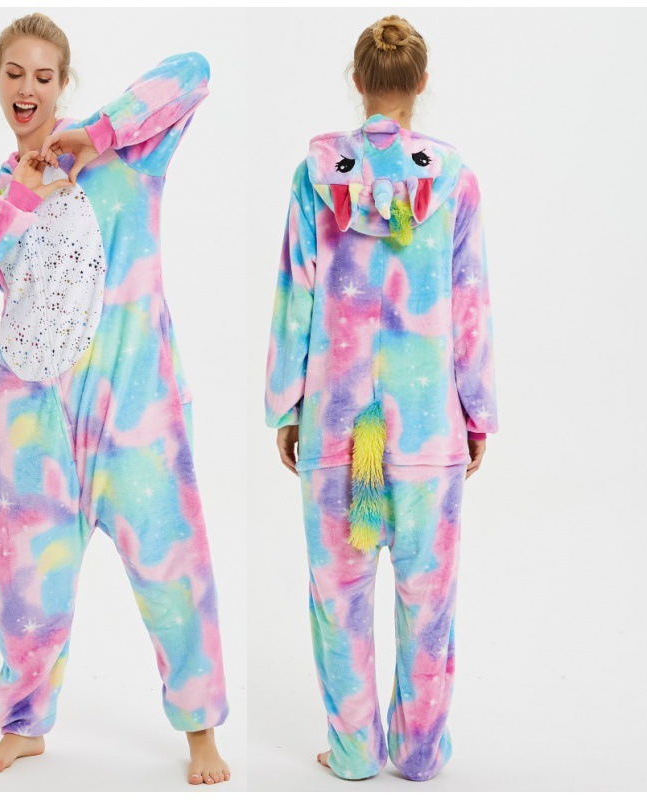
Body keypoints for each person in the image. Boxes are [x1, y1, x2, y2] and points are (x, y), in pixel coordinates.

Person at [0, 13, 230, 785]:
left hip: (136, 416)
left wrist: (95, 134)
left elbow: (193, 69)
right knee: (27, 591)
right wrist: (15, 203)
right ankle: (23, 727)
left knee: (174, 573)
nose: (27, 88)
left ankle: (200, 732)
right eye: (14, 74)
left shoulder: (127, 159)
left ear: (63, 84)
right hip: (32, 425)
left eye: (43, 75)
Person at [264, 14, 499, 782]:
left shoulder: (315, 177)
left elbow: (295, 296)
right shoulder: (454, 179)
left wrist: (287, 405)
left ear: (357, 81)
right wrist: (476, 412)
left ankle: (355, 750)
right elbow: (469, 305)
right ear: (420, 83)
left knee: (339, 596)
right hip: (427, 428)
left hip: (339, 426)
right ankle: (420, 751)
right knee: (428, 601)